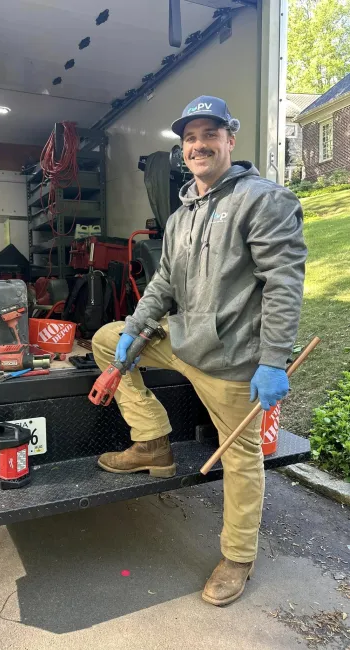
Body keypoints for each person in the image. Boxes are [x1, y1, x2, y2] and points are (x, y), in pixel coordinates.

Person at [92, 95, 307, 606]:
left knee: (242, 458)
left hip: (233, 360)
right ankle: (153, 445)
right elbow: (165, 280)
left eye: (209, 134)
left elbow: (283, 283)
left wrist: (274, 359)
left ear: (230, 139)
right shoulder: (185, 209)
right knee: (105, 340)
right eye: (189, 138)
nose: (198, 145)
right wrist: (135, 330)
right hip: (183, 339)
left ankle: (237, 556)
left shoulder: (264, 200)